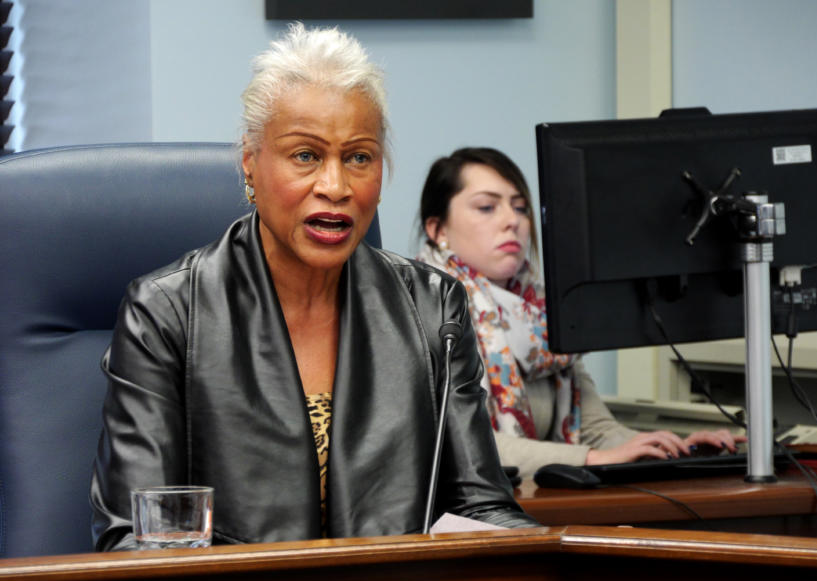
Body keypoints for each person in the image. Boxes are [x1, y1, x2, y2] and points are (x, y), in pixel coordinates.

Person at [90, 26, 539, 552]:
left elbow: (481, 507)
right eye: (305, 156)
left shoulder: (432, 307)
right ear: (250, 163)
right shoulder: (168, 313)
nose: (336, 185)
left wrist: (565, 557)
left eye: (359, 157)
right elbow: (135, 535)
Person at [416, 147, 746, 479]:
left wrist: (677, 450)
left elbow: (596, 430)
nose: (511, 221)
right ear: (438, 230)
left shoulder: (539, 315)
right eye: (486, 207)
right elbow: (460, 447)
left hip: (529, 504)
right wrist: (589, 459)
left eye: (520, 208)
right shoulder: (423, 314)